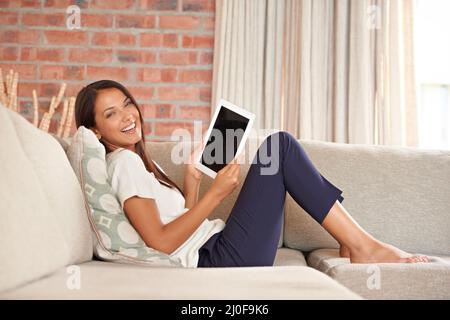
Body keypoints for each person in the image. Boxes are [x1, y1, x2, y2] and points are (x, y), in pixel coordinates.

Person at [75, 79, 429, 268]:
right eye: (110, 114)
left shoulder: (138, 163)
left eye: (126, 103)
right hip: (221, 258)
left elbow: (177, 227)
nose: (127, 115)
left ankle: (358, 244)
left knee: (280, 148)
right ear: (95, 131)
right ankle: (363, 246)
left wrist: (193, 181)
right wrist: (217, 194)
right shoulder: (124, 163)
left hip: (221, 247)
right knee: (280, 147)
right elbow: (162, 242)